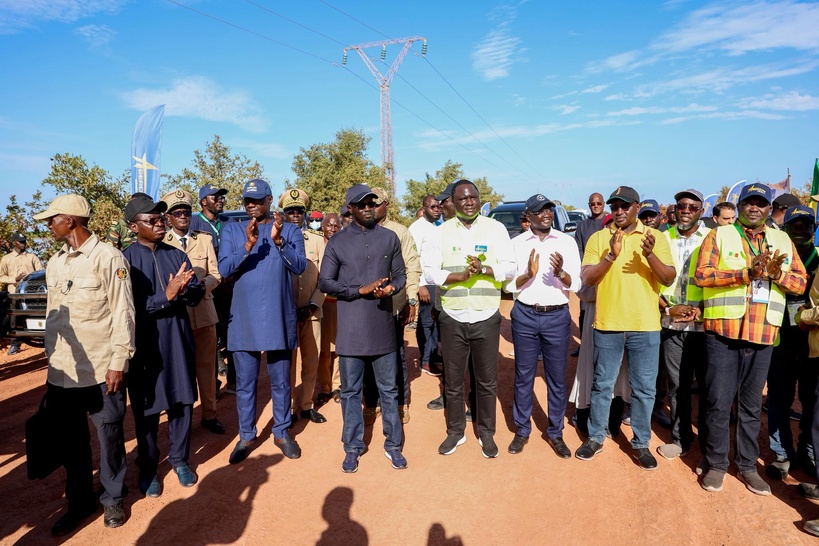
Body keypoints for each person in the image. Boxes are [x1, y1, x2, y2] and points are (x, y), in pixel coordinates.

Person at [694, 183, 807, 495]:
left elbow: (800, 283)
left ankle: (745, 465)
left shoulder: (782, 239)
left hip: (762, 334)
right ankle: (716, 462)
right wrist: (746, 273)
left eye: (760, 203)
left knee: (750, 405)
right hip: (723, 333)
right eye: (748, 202)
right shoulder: (719, 235)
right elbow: (702, 275)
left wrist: (775, 274)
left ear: (769, 209)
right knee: (718, 401)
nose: (754, 208)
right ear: (740, 205)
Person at [34, 194, 135, 535]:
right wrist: (51, 361)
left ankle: (113, 498)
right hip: (64, 371)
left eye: (54, 218)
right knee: (71, 442)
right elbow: (53, 318)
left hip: (100, 369)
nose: (50, 224)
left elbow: (123, 313)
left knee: (108, 438)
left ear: (72, 221)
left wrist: (118, 362)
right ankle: (79, 503)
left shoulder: (108, 257)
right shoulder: (56, 263)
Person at [575, 185, 675, 471]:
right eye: (614, 206)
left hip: (645, 325)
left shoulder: (655, 237)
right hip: (608, 323)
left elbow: (668, 279)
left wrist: (650, 256)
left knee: (644, 389)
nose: (618, 211)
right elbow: (589, 279)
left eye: (624, 206)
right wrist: (611, 255)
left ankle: (641, 443)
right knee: (602, 385)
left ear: (637, 207)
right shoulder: (598, 238)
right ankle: (595, 436)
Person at [319, 183, 407, 473]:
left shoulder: (390, 238)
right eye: (362, 204)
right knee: (350, 392)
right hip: (352, 330)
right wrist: (360, 289)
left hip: (383, 325)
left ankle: (393, 445)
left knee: (389, 390)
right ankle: (352, 446)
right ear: (350, 209)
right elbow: (326, 283)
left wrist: (392, 287)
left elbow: (401, 274)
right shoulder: (338, 242)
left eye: (371, 203)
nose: (368, 208)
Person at [424, 179, 515, 458]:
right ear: (451, 202)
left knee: (486, 381)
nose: (469, 202)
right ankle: (455, 432)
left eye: (473, 197)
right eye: (462, 198)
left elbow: (510, 269)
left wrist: (485, 269)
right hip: (452, 316)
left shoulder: (496, 229)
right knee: (453, 380)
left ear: (479, 199)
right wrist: (458, 277)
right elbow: (429, 272)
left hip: (486, 315)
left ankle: (486, 433)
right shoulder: (440, 234)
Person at [218, 179, 307, 464]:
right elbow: (223, 269)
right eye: (247, 201)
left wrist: (279, 241)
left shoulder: (290, 229)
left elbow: (300, 266)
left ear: (270, 200)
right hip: (244, 318)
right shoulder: (232, 229)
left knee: (281, 381)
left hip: (278, 315)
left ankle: (281, 432)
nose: (251, 205)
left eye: (257, 200)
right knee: (245, 383)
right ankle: (246, 435)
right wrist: (248, 244)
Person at [124, 195, 204, 497]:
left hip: (179, 338)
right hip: (146, 345)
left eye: (161, 219)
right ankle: (147, 464)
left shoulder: (175, 253)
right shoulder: (125, 259)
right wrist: (165, 296)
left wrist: (183, 292)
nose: (160, 224)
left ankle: (180, 459)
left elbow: (195, 292)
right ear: (134, 226)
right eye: (152, 220)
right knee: (146, 408)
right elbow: (127, 307)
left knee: (182, 401)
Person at [507, 194, 580, 458]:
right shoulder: (515, 244)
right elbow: (508, 285)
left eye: (549, 209)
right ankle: (522, 430)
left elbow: (577, 284)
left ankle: (555, 432)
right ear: (529, 216)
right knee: (523, 376)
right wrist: (528, 273)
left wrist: (561, 273)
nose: (546, 214)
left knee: (556, 379)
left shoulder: (567, 242)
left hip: (557, 317)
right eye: (540, 210)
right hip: (525, 314)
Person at [161, 190, 225, 435]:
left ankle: (209, 414)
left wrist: (201, 287)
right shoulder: (162, 243)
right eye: (177, 213)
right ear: (168, 217)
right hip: (177, 316)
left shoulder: (205, 239)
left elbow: (216, 274)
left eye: (186, 212)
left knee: (207, 368)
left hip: (205, 312)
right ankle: (181, 418)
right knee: (180, 369)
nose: (183, 216)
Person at [656, 189, 710, 461]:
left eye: (692, 206)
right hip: (671, 325)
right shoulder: (662, 238)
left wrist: (702, 309)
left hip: (706, 326)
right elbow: (649, 281)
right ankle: (681, 439)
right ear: (675, 210)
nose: (686, 210)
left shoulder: (713, 238)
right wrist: (667, 307)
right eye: (681, 205)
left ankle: (710, 447)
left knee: (710, 388)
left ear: (702, 210)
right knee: (678, 385)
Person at [765, 204, 819, 479]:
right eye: (794, 226)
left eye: (805, 225)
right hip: (781, 340)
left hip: (813, 344)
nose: (800, 230)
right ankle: (782, 452)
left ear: (815, 229)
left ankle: (808, 452)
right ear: (784, 230)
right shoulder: (777, 259)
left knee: (811, 403)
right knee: (779, 399)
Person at [360, 187, 420, 426]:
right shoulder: (358, 230)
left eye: (376, 204)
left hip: (393, 306)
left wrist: (411, 299)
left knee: (396, 356)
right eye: (367, 204)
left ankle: (400, 403)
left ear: (386, 205)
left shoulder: (400, 232)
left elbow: (412, 267)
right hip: (364, 309)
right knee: (365, 357)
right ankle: (371, 403)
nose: (371, 208)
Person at [279, 188, 327, 425]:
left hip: (311, 312)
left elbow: (326, 279)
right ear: (284, 214)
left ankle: (306, 405)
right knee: (286, 364)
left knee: (311, 361)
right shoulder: (275, 241)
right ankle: (286, 407)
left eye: (299, 211)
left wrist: (312, 305)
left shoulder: (317, 241)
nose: (295, 215)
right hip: (284, 314)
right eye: (290, 211)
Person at [409, 195, 443, 377]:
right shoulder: (417, 229)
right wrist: (420, 285)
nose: (437, 209)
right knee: (426, 323)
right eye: (432, 207)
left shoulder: (438, 227)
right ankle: (425, 361)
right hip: (426, 284)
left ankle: (433, 356)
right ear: (424, 208)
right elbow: (413, 258)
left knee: (436, 323)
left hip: (438, 282)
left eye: (438, 206)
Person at [573, 192, 607, 356]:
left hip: (607, 273)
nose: (596, 206)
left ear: (603, 204)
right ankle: (583, 344)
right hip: (587, 274)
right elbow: (579, 249)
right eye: (593, 204)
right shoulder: (583, 226)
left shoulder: (610, 222)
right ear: (589, 205)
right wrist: (584, 271)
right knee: (584, 311)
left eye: (598, 203)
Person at [0, 232, 43, 354]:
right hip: (14, 293)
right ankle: (15, 344)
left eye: (24, 241)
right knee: (14, 317)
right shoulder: (6, 259)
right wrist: (14, 279)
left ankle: (42, 341)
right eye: (21, 241)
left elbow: (41, 273)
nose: (24, 244)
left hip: (32, 294)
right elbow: (1, 276)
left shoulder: (32, 257)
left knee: (35, 314)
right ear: (14, 243)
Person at [317, 212, 342, 404]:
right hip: (321, 303)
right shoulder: (316, 246)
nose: (332, 229)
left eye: (336, 226)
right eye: (329, 225)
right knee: (324, 349)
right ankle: (324, 387)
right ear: (322, 226)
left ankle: (337, 385)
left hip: (339, 303)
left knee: (339, 348)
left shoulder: (344, 246)